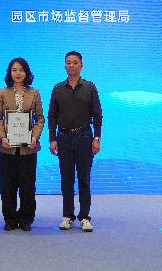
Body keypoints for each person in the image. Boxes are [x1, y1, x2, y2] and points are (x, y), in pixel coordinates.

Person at [47, 50, 102, 233]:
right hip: (63, 138)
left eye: (75, 62)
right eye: (68, 62)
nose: (72, 65)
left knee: (84, 179)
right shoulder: (57, 88)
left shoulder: (90, 87)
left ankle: (84, 217)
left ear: (81, 65)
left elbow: (97, 115)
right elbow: (52, 116)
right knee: (67, 179)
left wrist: (97, 138)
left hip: (84, 137)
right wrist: (52, 139)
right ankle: (68, 216)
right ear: (65, 65)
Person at [0, 57, 45, 231]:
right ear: (10, 73)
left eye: (21, 70)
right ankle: (10, 219)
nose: (18, 73)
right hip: (6, 148)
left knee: (27, 185)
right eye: (14, 70)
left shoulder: (34, 92)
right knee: (7, 185)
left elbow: (40, 119)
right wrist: (2, 137)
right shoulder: (2, 92)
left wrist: (35, 137)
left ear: (26, 73)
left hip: (28, 148)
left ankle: (25, 219)